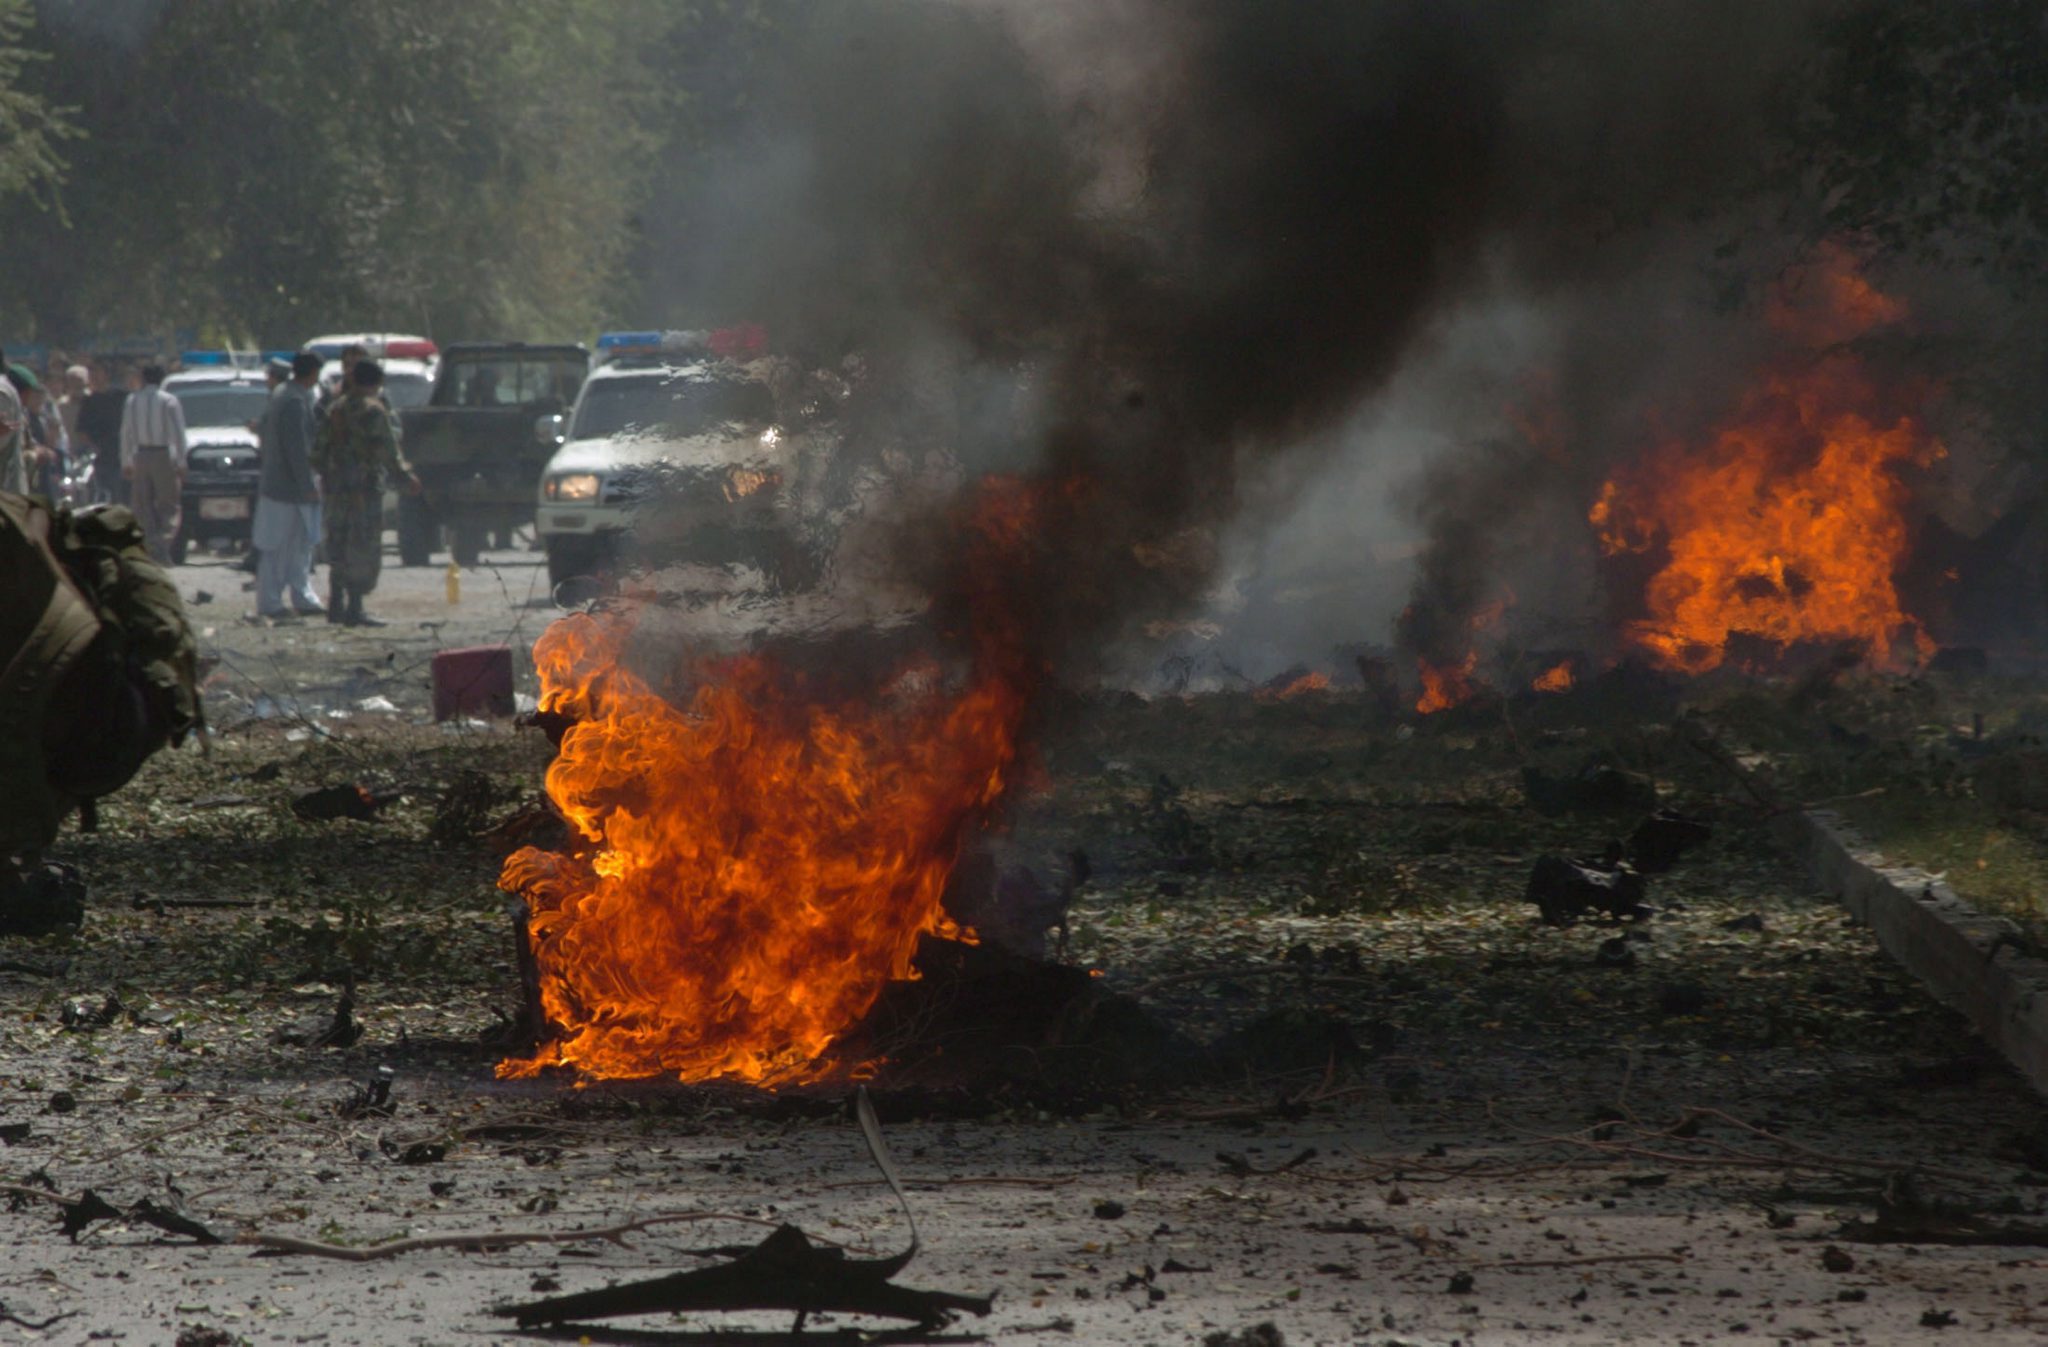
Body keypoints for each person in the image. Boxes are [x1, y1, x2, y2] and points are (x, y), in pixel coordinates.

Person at [313, 359, 418, 627]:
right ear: (376, 383)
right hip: (364, 491)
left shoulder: (334, 409)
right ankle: (355, 608)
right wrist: (405, 478)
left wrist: (330, 474)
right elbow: (388, 452)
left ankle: (335, 604)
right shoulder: (374, 411)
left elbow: (317, 453)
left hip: (336, 490)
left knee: (338, 542)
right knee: (363, 547)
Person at [251, 353, 326, 621]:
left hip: (281, 485)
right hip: (287, 489)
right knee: (279, 547)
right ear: (312, 373)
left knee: (298, 547)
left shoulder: (284, 394)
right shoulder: (293, 400)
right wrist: (307, 483)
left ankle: (301, 596)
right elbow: (298, 449)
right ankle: (270, 603)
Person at [118, 363, 187, 564]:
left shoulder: (132, 400)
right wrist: (182, 461)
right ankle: (162, 546)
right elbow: (178, 434)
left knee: (142, 505)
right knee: (169, 506)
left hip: (141, 455)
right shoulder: (169, 401)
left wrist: (126, 460)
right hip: (163, 455)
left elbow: (126, 433)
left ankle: (150, 545)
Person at [75, 362, 129, 505]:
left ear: (106, 374)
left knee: (123, 496)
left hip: (122, 453)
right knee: (102, 495)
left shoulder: (120, 396)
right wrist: (93, 447)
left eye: (97, 371)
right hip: (101, 457)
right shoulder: (88, 401)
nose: (94, 376)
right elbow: (81, 431)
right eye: (91, 372)